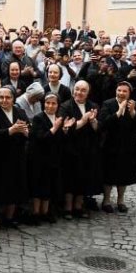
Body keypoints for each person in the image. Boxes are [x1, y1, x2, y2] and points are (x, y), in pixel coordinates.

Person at [0, 86, 29, 228]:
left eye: (8, 97)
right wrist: (11, 130)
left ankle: (9, 217)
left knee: (14, 187)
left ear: (13, 98)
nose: (4, 100)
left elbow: (27, 130)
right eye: (1, 97)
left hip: (16, 155)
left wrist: (26, 133)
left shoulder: (20, 112)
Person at [59, 81, 101, 219]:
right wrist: (83, 121)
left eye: (83, 90)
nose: (79, 92)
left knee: (84, 177)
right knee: (70, 178)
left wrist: (93, 121)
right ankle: (68, 207)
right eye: (77, 89)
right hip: (70, 147)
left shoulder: (93, 106)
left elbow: (98, 129)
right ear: (73, 91)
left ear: (88, 93)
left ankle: (78, 205)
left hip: (87, 147)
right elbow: (64, 128)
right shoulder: (65, 106)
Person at [99, 81, 136, 213]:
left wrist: (133, 112)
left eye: (124, 91)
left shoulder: (133, 104)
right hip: (110, 144)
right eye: (119, 90)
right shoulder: (108, 104)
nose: (121, 93)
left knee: (124, 174)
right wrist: (119, 111)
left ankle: (120, 200)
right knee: (109, 174)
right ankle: (106, 200)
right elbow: (104, 124)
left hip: (127, 145)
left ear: (129, 93)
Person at [27, 94, 64, 224]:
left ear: (58, 105)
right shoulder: (38, 118)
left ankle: (45, 212)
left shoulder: (58, 118)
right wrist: (55, 128)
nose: (50, 106)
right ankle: (36, 213)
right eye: (48, 103)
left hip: (53, 158)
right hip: (39, 159)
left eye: (53, 103)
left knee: (49, 186)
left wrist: (64, 129)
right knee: (38, 186)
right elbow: (40, 138)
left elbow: (59, 140)